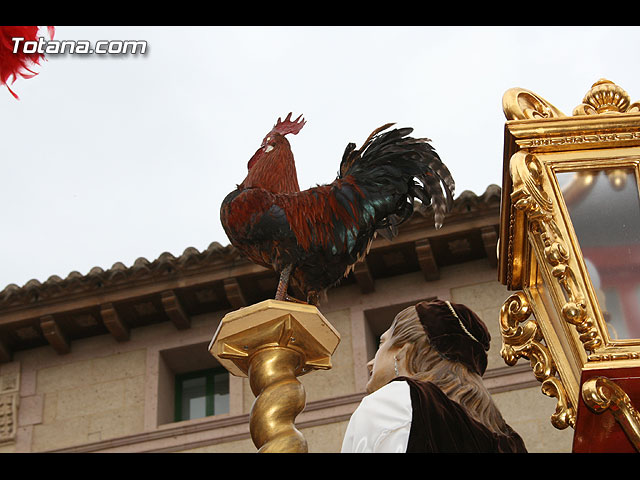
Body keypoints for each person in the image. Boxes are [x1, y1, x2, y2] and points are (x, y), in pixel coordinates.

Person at [341, 299, 528, 453]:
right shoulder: (507, 440)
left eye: (381, 344)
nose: (369, 363)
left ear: (403, 350)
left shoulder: (394, 402)